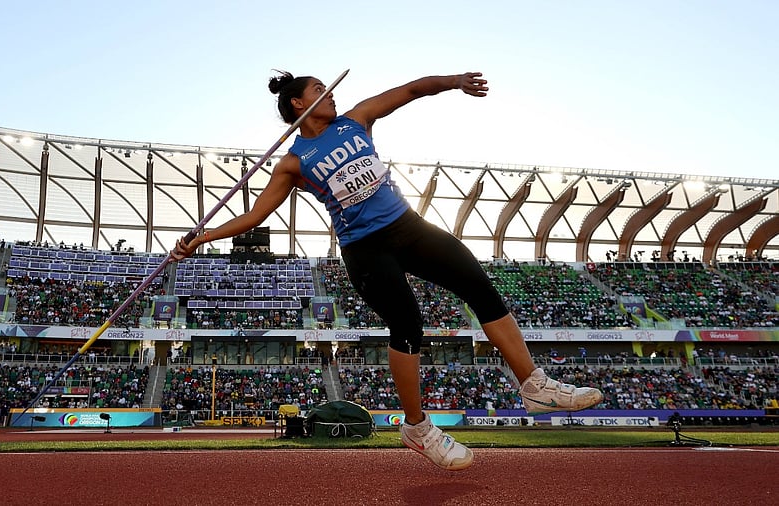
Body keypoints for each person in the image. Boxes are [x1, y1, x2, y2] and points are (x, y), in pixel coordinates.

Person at [171, 70, 603, 471]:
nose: (331, 93)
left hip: (409, 226)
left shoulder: (355, 121)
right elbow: (254, 216)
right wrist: (199, 239)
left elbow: (412, 90)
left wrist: (454, 82)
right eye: (319, 90)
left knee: (479, 286)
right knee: (407, 322)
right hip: (365, 247)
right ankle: (417, 428)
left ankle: (534, 385)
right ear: (296, 104)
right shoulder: (293, 162)